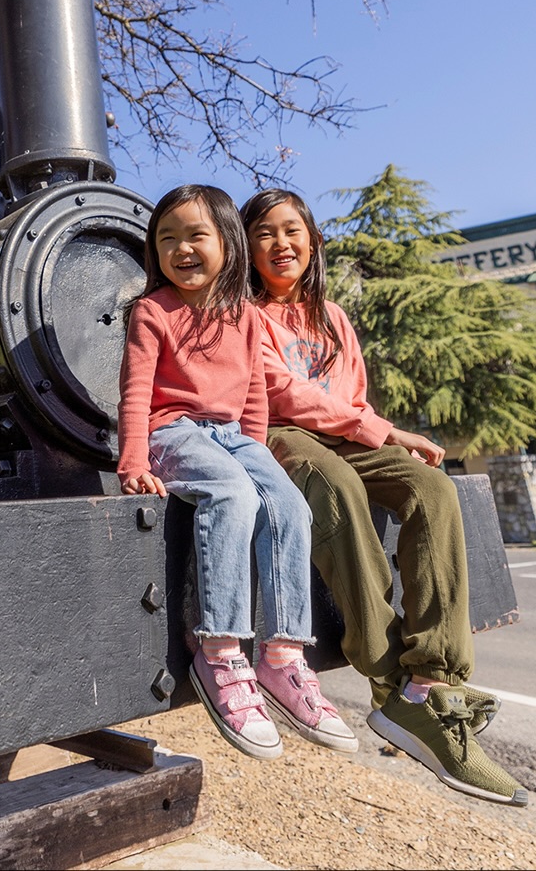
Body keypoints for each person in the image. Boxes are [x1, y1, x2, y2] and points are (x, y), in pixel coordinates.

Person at [242, 187, 528, 807]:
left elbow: (354, 398)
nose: (281, 243)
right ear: (247, 247)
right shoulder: (246, 314)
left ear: (312, 241)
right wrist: (384, 431)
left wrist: (379, 435)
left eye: (293, 230)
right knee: (339, 488)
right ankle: (389, 673)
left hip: (348, 434)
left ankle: (431, 678)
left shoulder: (334, 317)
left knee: (430, 489)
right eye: (265, 232)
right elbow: (282, 394)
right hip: (280, 436)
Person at [118, 184, 358, 761]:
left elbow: (254, 398)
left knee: (287, 505)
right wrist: (132, 459)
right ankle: (220, 650)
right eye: (167, 238)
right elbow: (136, 392)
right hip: (171, 429)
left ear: (227, 241)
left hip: (232, 437)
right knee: (229, 495)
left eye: (195, 235)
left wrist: (258, 461)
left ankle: (281, 658)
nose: (181, 248)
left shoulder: (246, 316)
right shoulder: (153, 310)